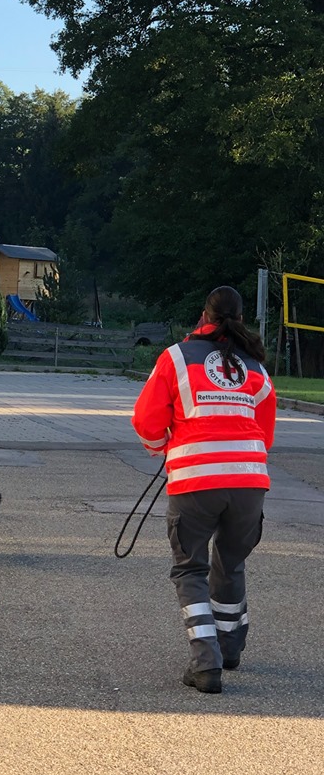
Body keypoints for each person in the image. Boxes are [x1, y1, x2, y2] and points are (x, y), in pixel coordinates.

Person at [132, 286, 277, 694]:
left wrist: (165, 448)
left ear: (203, 316)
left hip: (196, 480)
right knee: (230, 564)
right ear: (241, 319)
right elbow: (264, 433)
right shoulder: (256, 367)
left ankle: (205, 662)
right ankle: (229, 649)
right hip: (249, 482)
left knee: (190, 569)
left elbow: (146, 419)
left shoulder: (176, 357)